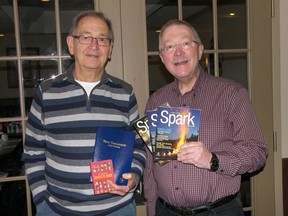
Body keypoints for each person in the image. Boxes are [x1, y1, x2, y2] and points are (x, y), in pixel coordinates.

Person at [23, 10, 146, 216]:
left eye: (102, 39)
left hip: (117, 209)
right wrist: (41, 201)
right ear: (71, 44)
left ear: (110, 48)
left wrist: (134, 175)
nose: (94, 46)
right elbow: (33, 151)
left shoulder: (125, 93)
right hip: (57, 210)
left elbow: (139, 145)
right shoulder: (46, 92)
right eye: (86, 37)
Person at [143, 19, 268, 216]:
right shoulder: (155, 101)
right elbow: (150, 164)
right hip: (165, 211)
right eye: (169, 46)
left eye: (185, 43)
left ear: (200, 50)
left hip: (218, 211)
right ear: (162, 57)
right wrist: (152, 209)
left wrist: (213, 160)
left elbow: (257, 152)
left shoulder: (232, 94)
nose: (178, 52)